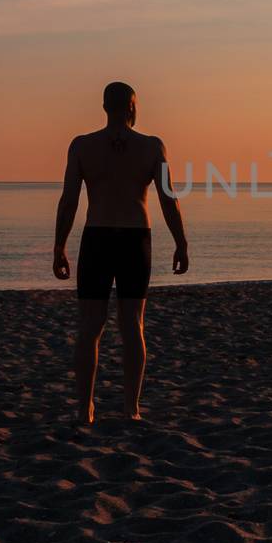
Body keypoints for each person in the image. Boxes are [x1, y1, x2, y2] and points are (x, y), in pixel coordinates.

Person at [53, 82, 189, 424]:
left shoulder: (82, 146)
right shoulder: (151, 147)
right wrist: (181, 243)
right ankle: (132, 408)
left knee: (90, 326)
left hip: (97, 237)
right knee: (133, 325)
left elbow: (68, 201)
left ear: (104, 107)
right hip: (134, 239)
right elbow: (168, 199)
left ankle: (85, 410)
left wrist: (59, 246)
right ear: (132, 108)